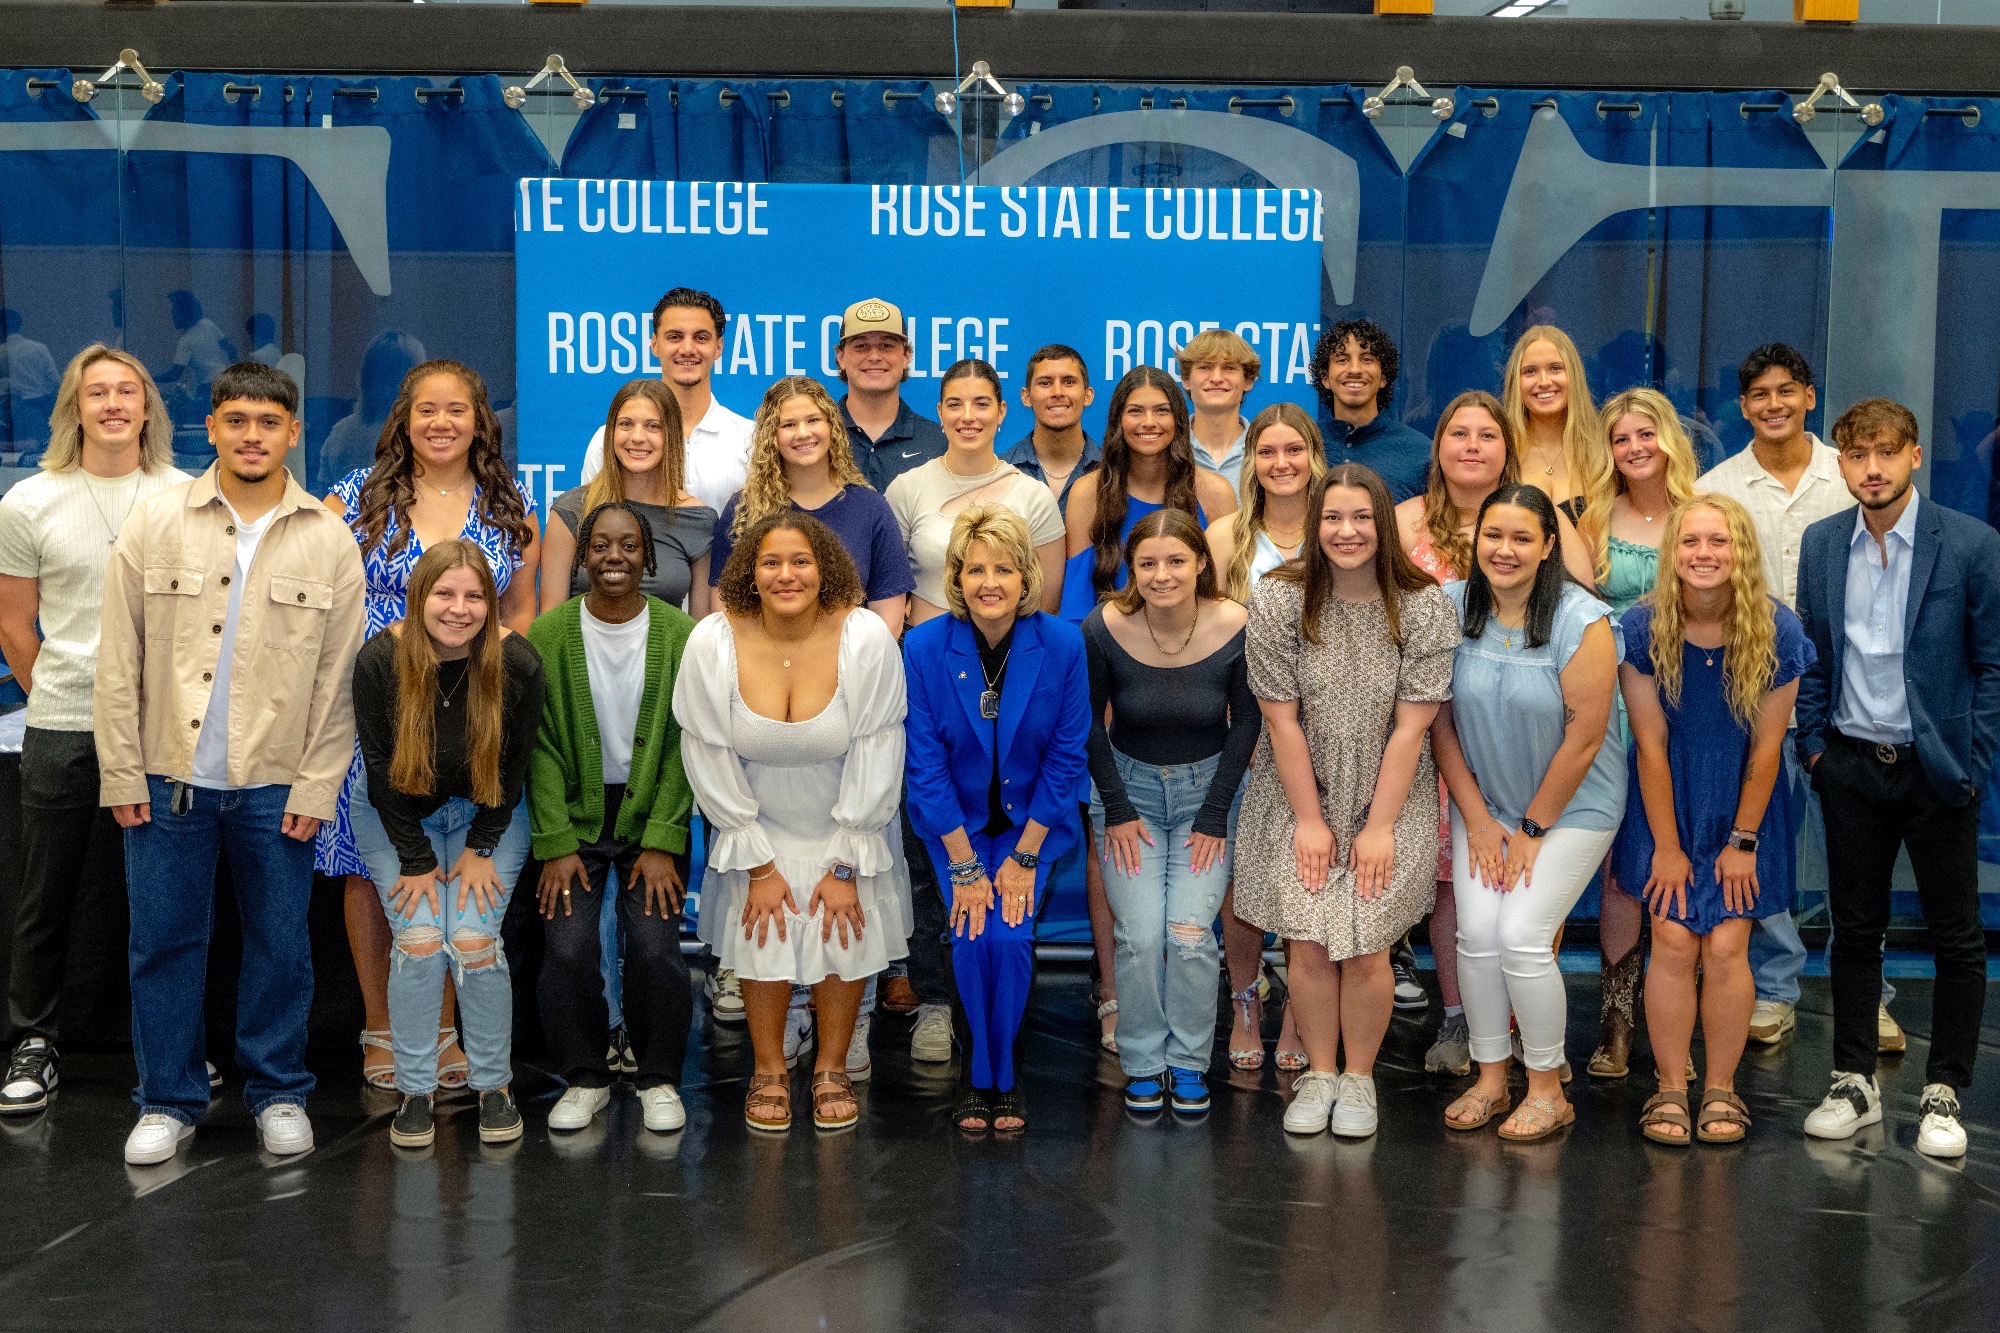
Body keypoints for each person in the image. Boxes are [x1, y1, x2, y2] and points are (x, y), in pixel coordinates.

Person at [94, 361, 366, 1165]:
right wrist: (120, 770)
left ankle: (279, 1091)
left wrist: (317, 783)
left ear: (292, 433)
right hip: (164, 776)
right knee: (164, 943)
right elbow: (120, 658)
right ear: (209, 426)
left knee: (281, 944)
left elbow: (340, 681)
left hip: (277, 782)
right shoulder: (154, 521)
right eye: (237, 419)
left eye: (269, 422)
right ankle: (168, 1100)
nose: (253, 435)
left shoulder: (327, 537)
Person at [322, 359, 540, 1092]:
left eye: (457, 409)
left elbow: (519, 615)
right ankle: (383, 1029)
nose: (441, 422)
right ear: (403, 419)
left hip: (471, 712)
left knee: (449, 870)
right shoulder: (356, 496)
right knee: (371, 866)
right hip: (379, 712)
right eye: (426, 410)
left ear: (480, 419)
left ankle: (444, 1033)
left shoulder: (510, 503)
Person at [1797, 399, 2000, 1159]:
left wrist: (1971, 761)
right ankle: (1854, 1080)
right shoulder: (1821, 544)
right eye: (1856, 454)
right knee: (1855, 932)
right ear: (1841, 463)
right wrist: (1815, 750)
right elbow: (1813, 652)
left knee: (1956, 938)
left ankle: (1944, 1089)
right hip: (1849, 765)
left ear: (1915, 455)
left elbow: (1993, 663)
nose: (1872, 468)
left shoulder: (1972, 545)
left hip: (1937, 771)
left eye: (1886, 452)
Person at [1236, 465, 1456, 1137]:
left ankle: (1359, 1078)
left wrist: (1379, 826)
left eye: (1362, 516)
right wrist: (1309, 819)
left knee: (1365, 944)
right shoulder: (1278, 598)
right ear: (1314, 522)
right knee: (1305, 939)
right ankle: (1321, 1072)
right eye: (1333, 517)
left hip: (1389, 790)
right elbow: (1281, 719)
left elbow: (1414, 725)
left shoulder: (1425, 604)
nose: (1347, 530)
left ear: (1383, 523)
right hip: (1296, 785)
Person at [674, 513, 907, 1133]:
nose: (786, 575)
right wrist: (758, 862)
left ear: (825, 567)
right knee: (763, 936)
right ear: (749, 571)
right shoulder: (712, 641)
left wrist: (844, 863)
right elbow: (706, 754)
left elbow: (879, 751)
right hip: (755, 828)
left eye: (800, 561)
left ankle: (831, 1067)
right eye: (771, 562)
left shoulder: (864, 637)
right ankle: (770, 1069)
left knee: (842, 932)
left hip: (847, 824)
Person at [0, 347, 186, 1115]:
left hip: (167, 732)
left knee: (166, 899)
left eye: (127, 392)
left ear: (148, 408)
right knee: (48, 893)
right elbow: (14, 627)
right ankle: (33, 1042)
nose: (112, 404)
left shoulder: (187, 495)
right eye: (95, 392)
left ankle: (172, 1047)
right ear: (73, 408)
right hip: (63, 723)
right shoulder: (29, 501)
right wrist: (72, 697)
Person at [710, 376, 918, 1041]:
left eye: (813, 420)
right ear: (769, 436)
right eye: (786, 423)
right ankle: (788, 1014)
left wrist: (835, 676)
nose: (801, 433)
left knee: (846, 895)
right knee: (773, 902)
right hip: (767, 722)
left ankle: (847, 1024)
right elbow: (728, 613)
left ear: (832, 427)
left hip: (849, 717)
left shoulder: (869, 508)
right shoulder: (742, 511)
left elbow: (885, 616)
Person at [1393, 391, 1594, 1077]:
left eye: (1486, 434)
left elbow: (1580, 611)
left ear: (1508, 448)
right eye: (1457, 431)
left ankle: (1525, 1027)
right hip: (1429, 735)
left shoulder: (1547, 520)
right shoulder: (1401, 523)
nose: (1471, 446)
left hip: (1527, 739)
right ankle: (1465, 1019)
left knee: (1527, 900)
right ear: (1438, 445)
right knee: (1458, 890)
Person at [1697, 344, 1888, 1052]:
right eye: (1759, 395)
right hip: (1753, 688)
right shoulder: (1718, 486)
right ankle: (1775, 985)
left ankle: (1871, 997)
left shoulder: (1852, 479)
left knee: (1856, 843)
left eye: (1787, 391)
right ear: (1743, 406)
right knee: (1766, 836)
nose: (1773, 404)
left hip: (1849, 685)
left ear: (1810, 397)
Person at [1432, 484, 1624, 1143]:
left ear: (1547, 547)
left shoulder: (1582, 618)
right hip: (1485, 801)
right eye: (1494, 535)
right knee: (1476, 935)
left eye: (1522, 538)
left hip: (1573, 806)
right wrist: (1482, 821)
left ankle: (1547, 1086)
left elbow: (1586, 735)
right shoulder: (1449, 607)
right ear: (1474, 540)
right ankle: (1491, 1077)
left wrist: (1533, 831)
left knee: (1519, 935)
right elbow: (1441, 727)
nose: (1505, 549)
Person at [1619, 497, 1810, 1145]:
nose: (1704, 553)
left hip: (1745, 805)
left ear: (1742, 552)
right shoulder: (1642, 627)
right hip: (1667, 797)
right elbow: (1649, 745)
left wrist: (1743, 841)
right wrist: (1666, 849)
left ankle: (1721, 1087)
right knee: (1671, 940)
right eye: (1691, 541)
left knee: (1728, 944)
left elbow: (1766, 748)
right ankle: (1671, 1086)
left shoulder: (1777, 629)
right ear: (1672, 552)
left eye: (1719, 541)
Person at [1060, 364, 1237, 1051]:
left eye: (1161, 410)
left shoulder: (1213, 491)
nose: (1148, 423)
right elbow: (1077, 596)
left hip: (1190, 706)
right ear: (1117, 420)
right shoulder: (1087, 494)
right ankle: (1115, 991)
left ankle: (1192, 1000)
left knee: (1190, 874)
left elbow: (1225, 599)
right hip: (1104, 695)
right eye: (1135, 411)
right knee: (1114, 849)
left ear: (1179, 417)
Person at [348, 541, 545, 1150]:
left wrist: (482, 847)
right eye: (444, 594)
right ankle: (414, 1089)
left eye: (474, 596)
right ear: (419, 596)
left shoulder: (518, 664)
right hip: (397, 816)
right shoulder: (380, 659)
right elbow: (380, 770)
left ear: (491, 602)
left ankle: (494, 1087)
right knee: (422, 940)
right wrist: (415, 859)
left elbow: (513, 771)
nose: (459, 609)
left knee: (473, 940)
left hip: (487, 814)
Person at [905, 506, 1089, 1133]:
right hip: (953, 825)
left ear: (1026, 575)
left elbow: (1068, 758)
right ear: (955, 576)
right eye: (975, 568)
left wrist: (1025, 857)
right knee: (969, 931)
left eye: (1004, 568)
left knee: (1007, 938)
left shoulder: (1063, 643)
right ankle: (978, 1070)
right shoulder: (925, 646)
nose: (990, 582)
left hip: (1028, 829)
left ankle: (998, 1072)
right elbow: (923, 762)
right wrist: (960, 862)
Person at [531, 502, 699, 1136]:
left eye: (629, 546)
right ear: (581, 557)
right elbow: (539, 746)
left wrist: (661, 840)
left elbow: (691, 741)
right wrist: (553, 842)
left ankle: (657, 1076)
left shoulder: (681, 636)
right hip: (573, 818)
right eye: (600, 545)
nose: (614, 557)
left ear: (649, 559)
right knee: (567, 949)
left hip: (652, 810)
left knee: (656, 950)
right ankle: (586, 1076)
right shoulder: (548, 635)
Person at [1086, 509, 1258, 1116]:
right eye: (1148, 563)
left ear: (1202, 564)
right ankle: (1141, 1062)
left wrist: (1215, 813)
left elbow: (1249, 724)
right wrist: (1116, 808)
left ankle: (1187, 1062)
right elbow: (1086, 724)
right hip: (1127, 797)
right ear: (1131, 570)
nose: (1163, 575)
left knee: (1188, 937)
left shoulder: (1237, 624)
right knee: (1137, 936)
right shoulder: (1104, 626)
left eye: (1176, 561)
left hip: (1205, 799)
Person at [1571, 388, 1700, 1079]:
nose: (1634, 448)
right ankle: (1616, 1018)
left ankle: (1680, 1006)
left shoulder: (1699, 514)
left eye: (1645, 434)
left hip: (1686, 702)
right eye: (1621, 439)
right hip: (1607, 699)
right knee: (1623, 869)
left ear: (1668, 439)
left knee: (1679, 851)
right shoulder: (1592, 516)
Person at [1205, 402, 1325, 1073]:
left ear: (1313, 456)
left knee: (1307, 876)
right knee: (1243, 882)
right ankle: (1246, 1001)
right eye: (1268, 451)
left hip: (1325, 731)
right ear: (1252, 461)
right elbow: (1213, 643)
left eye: (1294, 450)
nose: (1281, 464)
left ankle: (1302, 1013)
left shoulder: (1339, 527)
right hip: (1244, 727)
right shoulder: (1226, 537)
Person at [887, 358, 1065, 625]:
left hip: (1009, 658)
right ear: (940, 411)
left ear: (1001, 411)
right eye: (954, 404)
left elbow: (1046, 607)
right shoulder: (906, 489)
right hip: (923, 658)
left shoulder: (1035, 497)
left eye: (981, 404)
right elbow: (888, 594)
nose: (967, 416)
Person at [543, 379, 714, 616]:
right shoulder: (572, 510)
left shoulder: (697, 519)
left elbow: (701, 630)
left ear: (672, 435)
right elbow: (550, 624)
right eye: (626, 424)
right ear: (611, 432)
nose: (637, 437)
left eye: (653, 426)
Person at [578, 287, 754, 513]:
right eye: (674, 337)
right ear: (654, 344)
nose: (688, 349)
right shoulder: (611, 439)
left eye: (701, 338)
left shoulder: (751, 440)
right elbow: (590, 527)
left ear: (718, 347)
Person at [834, 298, 949, 491]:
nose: (874, 356)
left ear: (906, 356)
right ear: (841, 357)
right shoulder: (816, 437)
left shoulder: (939, 442)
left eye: (886, 345)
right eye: (861, 346)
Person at [1312, 319, 1431, 504]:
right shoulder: (1303, 445)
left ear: (1383, 377)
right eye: (1342, 360)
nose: (1354, 369)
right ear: (1325, 378)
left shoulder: (1421, 452)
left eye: (1367, 359)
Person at [1501, 324, 1599, 516]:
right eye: (1530, 371)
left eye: (1555, 368)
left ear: (1574, 375)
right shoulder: (1501, 451)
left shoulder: (1602, 449)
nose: (1544, 382)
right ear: (1516, 382)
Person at [1001, 344, 1101, 516]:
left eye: (1069, 382)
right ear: (1026, 397)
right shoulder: (1002, 472)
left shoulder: (1112, 472)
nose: (1057, 392)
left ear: (1088, 395)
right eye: (1045, 383)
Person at [1177, 329, 1260, 481]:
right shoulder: (1168, 447)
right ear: (1186, 380)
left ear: (1248, 381)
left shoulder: (1264, 449)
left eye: (1229, 368)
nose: (1216, 378)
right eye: (1204, 367)